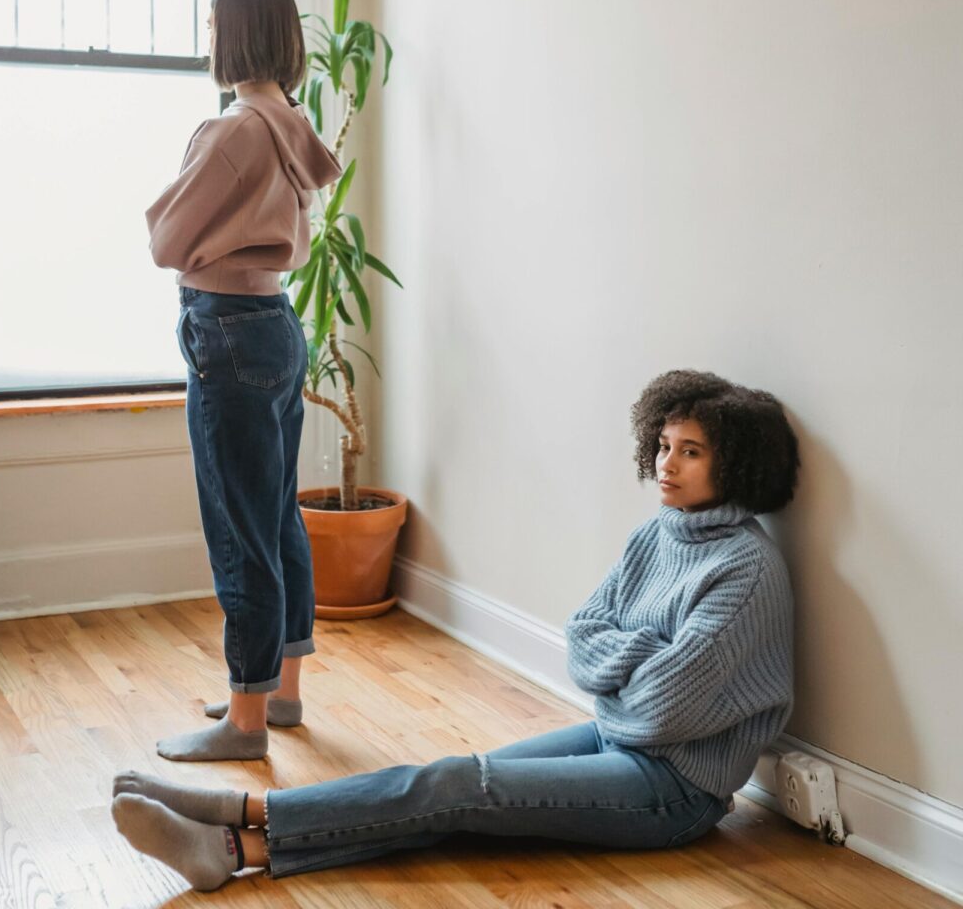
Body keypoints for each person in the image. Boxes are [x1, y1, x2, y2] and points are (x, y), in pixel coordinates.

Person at [112, 369, 801, 888]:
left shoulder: (745, 571)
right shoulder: (659, 532)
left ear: (736, 467)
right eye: (663, 444)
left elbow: (660, 710)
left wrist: (628, 667)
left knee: (457, 793)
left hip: (676, 791)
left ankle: (236, 833)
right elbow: (583, 637)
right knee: (447, 785)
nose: (664, 463)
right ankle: (232, 826)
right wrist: (644, 654)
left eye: (690, 452)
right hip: (616, 737)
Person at [145, 0, 342, 763]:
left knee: (239, 531)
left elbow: (165, 242)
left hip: (225, 326)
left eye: (210, 24)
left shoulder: (232, 130)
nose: (205, 37)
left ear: (236, 35)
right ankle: (281, 692)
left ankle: (245, 724)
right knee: (275, 515)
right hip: (273, 323)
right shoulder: (289, 120)